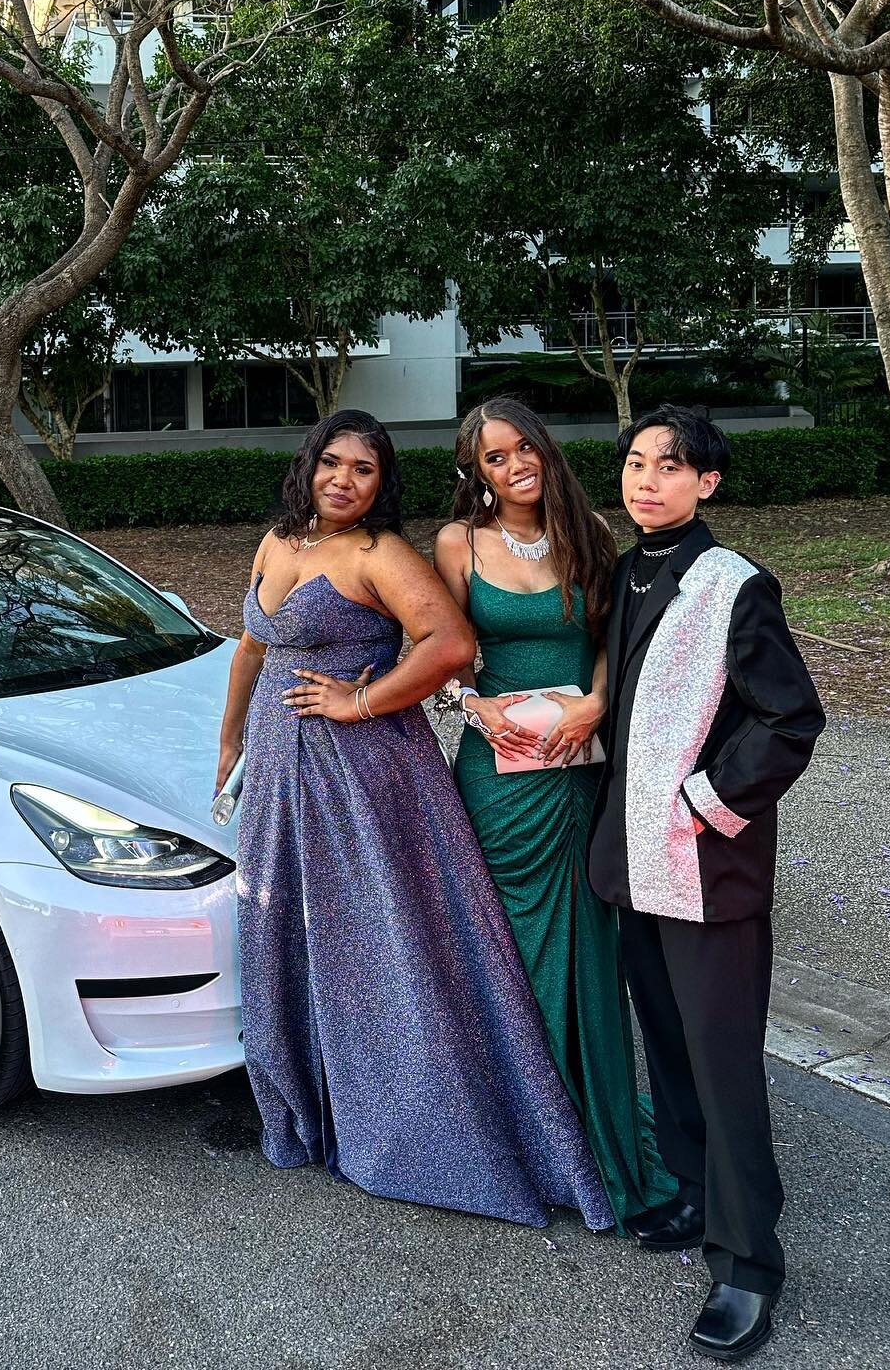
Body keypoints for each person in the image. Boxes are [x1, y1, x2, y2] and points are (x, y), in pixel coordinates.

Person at [216, 409, 613, 1230]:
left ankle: (409, 1120)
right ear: (309, 464)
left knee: (371, 940)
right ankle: (310, 1101)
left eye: (363, 470)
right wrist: (228, 747)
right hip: (278, 765)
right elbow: (250, 650)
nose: (343, 481)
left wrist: (358, 701)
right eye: (332, 463)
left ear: (380, 483)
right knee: (285, 928)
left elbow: (450, 645)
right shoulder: (276, 542)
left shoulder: (381, 555)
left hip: (354, 773)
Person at [589, 405, 825, 1362]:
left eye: (671, 467)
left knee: (723, 1063)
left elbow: (790, 719)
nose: (648, 481)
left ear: (707, 484)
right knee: (670, 1047)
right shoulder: (627, 567)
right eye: (637, 464)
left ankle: (748, 1266)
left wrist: (702, 799)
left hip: (700, 860)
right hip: (629, 858)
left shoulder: (736, 584)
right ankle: (693, 1192)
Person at [432, 399, 675, 1230]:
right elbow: (441, 652)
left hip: (575, 770)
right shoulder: (458, 544)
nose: (513, 466)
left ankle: (595, 1129)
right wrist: (477, 708)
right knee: (514, 952)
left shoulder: (593, 533)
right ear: (479, 472)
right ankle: (530, 1134)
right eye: (494, 458)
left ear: (544, 446)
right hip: (497, 782)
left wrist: (599, 703)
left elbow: (612, 638)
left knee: (584, 950)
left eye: (522, 447)